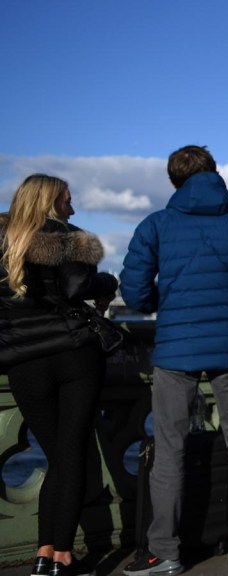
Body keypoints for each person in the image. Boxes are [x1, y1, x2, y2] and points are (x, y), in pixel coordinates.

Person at [120, 146, 228, 575]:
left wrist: (161, 304)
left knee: (169, 449)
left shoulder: (156, 225)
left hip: (175, 348)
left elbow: (133, 289)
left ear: (174, 181)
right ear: (214, 173)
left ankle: (165, 551)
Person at [0, 174, 119, 576]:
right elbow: (75, 286)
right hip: (73, 356)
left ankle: (43, 554)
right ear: (51, 202)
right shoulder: (67, 238)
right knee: (70, 455)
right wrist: (107, 281)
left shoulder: (5, 242)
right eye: (68, 200)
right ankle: (62, 556)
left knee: (56, 456)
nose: (73, 207)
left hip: (23, 362)